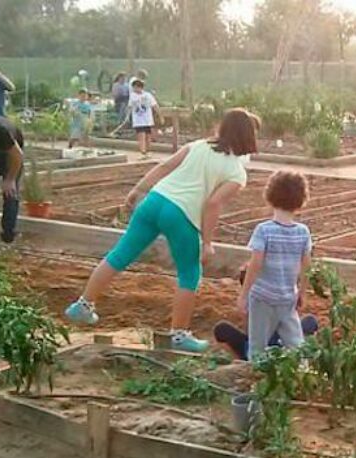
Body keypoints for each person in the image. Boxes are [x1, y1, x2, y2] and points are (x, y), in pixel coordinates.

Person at [64, 109, 259, 352]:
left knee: (120, 254)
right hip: (181, 214)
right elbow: (212, 204)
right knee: (190, 273)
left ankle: (83, 305)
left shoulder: (197, 146)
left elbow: (165, 166)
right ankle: (178, 335)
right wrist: (207, 242)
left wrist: (138, 189)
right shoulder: (237, 173)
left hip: (154, 201)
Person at [237, 171, 312, 360]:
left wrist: (244, 295)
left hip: (262, 297)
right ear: (300, 200)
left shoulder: (264, 230)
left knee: (257, 347)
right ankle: (303, 378)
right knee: (296, 346)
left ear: (270, 197)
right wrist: (302, 292)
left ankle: (255, 380)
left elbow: (255, 264)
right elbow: (306, 266)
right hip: (288, 297)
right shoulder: (303, 232)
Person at [214, 266, 319, 360]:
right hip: (278, 344)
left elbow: (250, 331)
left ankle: (246, 359)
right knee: (309, 322)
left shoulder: (252, 299)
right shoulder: (276, 293)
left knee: (223, 329)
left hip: (258, 349)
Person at [128, 78, 158, 159]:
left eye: (136, 87)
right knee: (141, 135)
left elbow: (154, 105)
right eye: (133, 87)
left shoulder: (148, 95)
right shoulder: (132, 96)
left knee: (148, 136)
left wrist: (160, 115)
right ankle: (143, 152)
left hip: (147, 120)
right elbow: (130, 106)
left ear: (140, 87)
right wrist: (128, 116)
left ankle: (148, 151)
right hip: (138, 120)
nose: (134, 89)